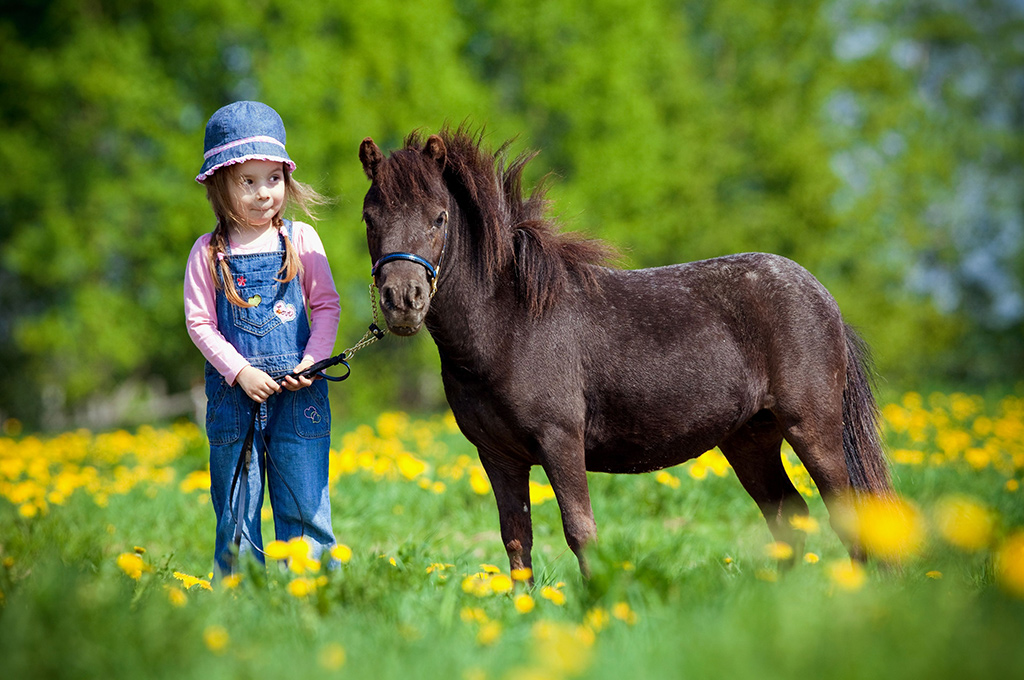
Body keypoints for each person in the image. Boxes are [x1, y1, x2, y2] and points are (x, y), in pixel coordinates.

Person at [184, 101, 341, 575]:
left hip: (300, 395)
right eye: (247, 182)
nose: (262, 193)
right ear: (219, 185)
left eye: (272, 179)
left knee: (305, 507)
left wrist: (310, 363)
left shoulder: (302, 239)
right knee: (236, 511)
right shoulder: (208, 253)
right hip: (236, 398)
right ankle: (240, 601)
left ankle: (313, 595)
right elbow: (199, 323)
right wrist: (241, 371)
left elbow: (327, 306)